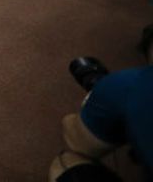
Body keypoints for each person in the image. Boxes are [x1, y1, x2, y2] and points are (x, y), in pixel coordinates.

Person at [49, 24, 153, 181]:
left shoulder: (133, 84)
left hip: (120, 89)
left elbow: (77, 141)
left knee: (66, 162)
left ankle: (98, 87)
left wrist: (100, 97)